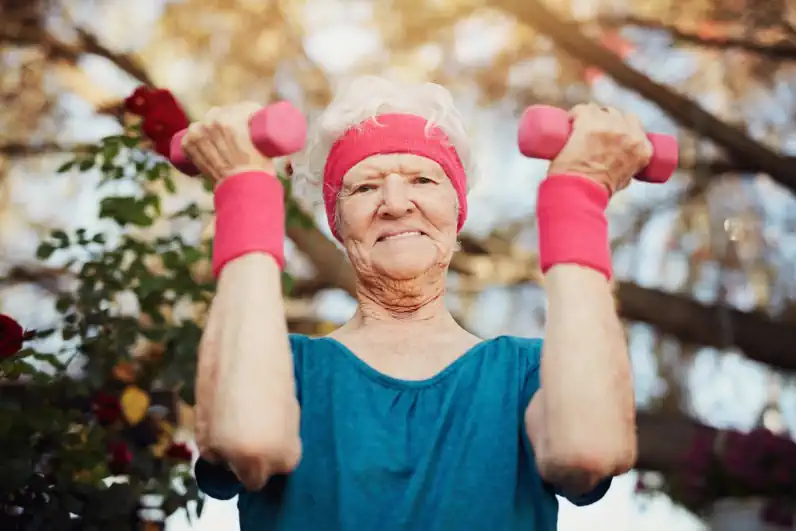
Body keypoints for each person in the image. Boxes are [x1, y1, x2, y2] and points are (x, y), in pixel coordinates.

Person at [182, 76, 648, 531]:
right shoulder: (287, 368)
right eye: (364, 187)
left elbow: (589, 450)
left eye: (423, 179)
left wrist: (579, 194)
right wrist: (245, 189)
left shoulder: (526, 373)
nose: (396, 203)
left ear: (457, 209)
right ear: (338, 223)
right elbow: (247, 440)